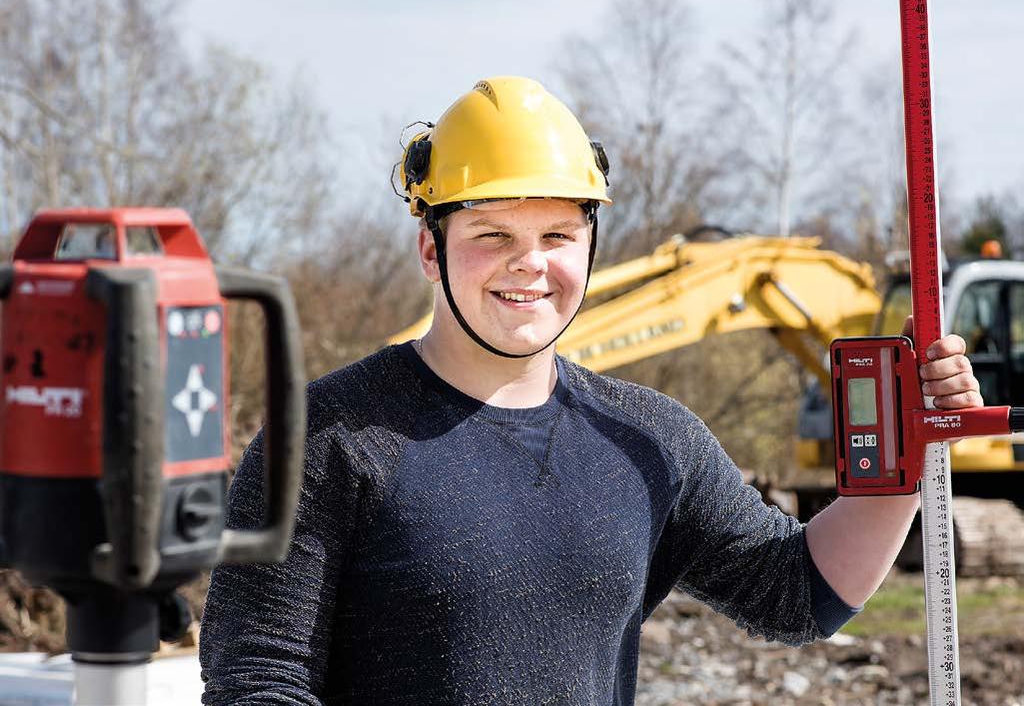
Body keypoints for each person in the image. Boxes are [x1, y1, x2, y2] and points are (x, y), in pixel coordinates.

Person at [198, 76, 983, 705]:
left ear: (591, 245)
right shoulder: (330, 437)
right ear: (431, 250)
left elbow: (797, 596)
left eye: (557, 237)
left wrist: (908, 455)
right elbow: (259, 682)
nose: (529, 264)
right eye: (492, 235)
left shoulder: (648, 439)